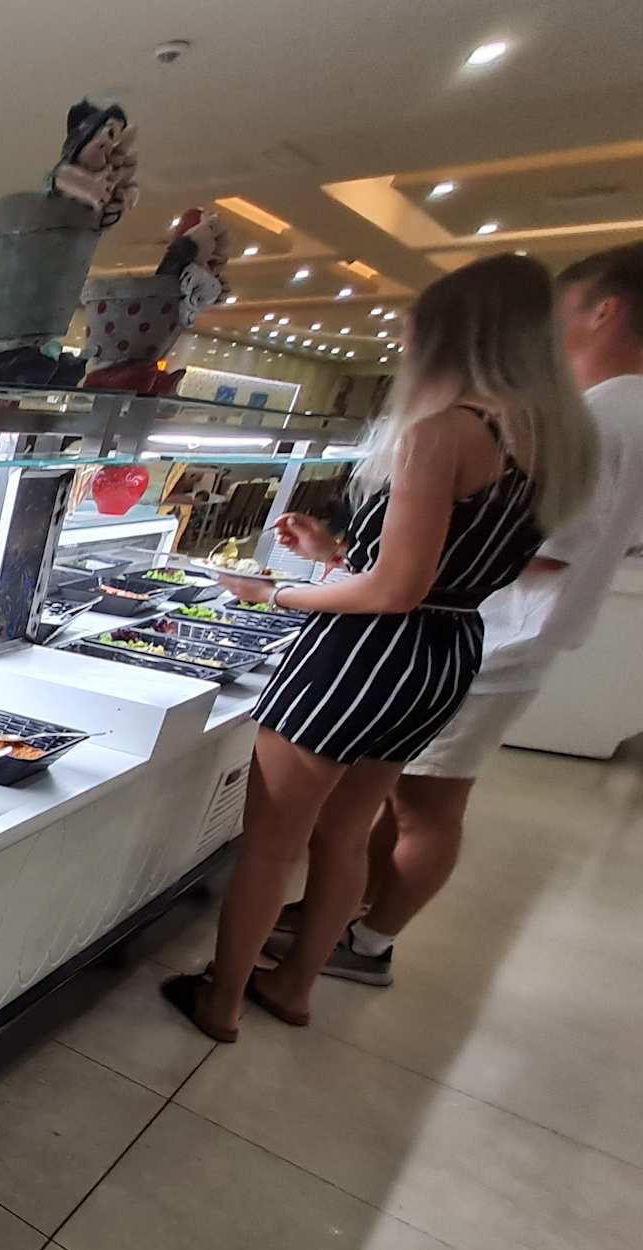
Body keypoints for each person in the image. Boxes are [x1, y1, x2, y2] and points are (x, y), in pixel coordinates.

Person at [163, 254, 599, 1040]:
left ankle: (220, 999)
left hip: (361, 656)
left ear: (456, 336)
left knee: (270, 847)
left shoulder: (443, 432)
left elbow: (395, 589)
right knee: (347, 832)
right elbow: (440, 570)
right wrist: (336, 554)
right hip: (444, 652)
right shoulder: (549, 441)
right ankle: (293, 987)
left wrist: (274, 593)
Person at [268, 242, 643, 985]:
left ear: (604, 311)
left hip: (471, 641)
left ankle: (365, 941)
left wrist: (313, 584)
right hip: (476, 642)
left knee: (423, 809)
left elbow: (516, 553)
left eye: (567, 310)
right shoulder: (598, 416)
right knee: (391, 806)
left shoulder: (592, 417)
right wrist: (355, 558)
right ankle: (335, 921)